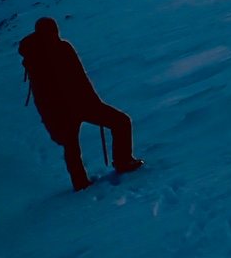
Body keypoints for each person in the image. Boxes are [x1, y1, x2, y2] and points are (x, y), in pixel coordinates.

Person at [19, 17, 142, 190]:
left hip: (61, 111)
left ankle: (80, 183)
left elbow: (42, 94)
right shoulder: (61, 49)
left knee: (72, 147)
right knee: (120, 122)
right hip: (81, 104)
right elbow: (80, 79)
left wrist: (50, 117)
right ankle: (122, 162)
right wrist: (94, 102)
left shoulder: (35, 58)